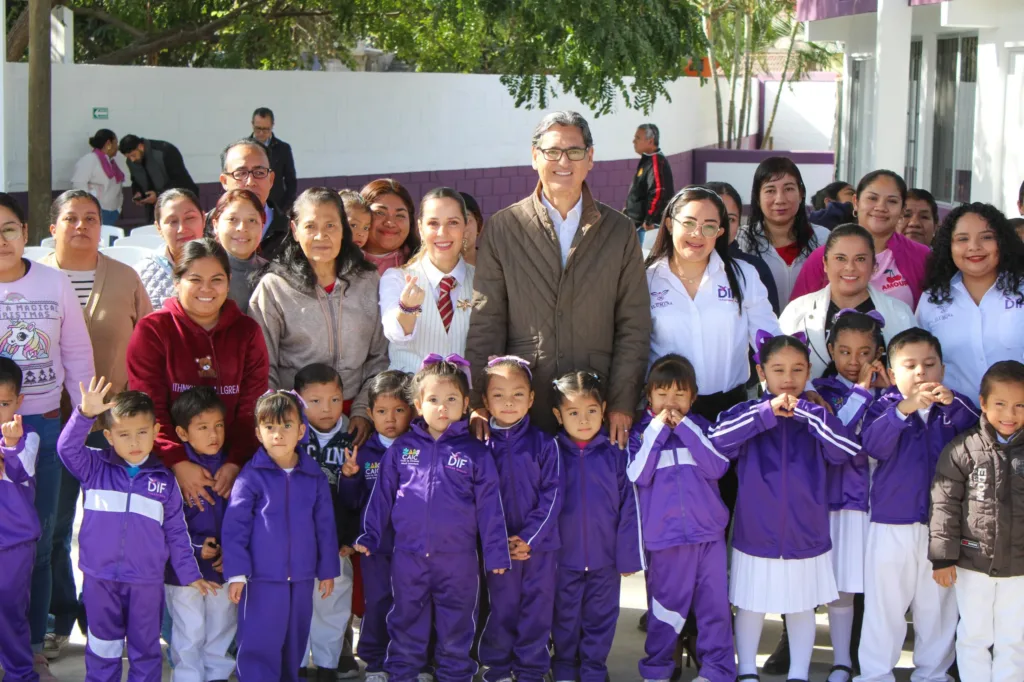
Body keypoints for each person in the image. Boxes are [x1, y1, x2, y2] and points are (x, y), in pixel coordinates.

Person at [466, 110, 651, 442]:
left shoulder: (619, 230)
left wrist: (622, 402)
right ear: (535, 156)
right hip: (523, 406)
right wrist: (479, 400)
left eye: (574, 151)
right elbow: (487, 320)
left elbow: (633, 324)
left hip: (595, 404)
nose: (563, 161)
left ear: (590, 158)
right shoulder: (504, 228)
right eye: (552, 151)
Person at [708, 332, 862, 682]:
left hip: (807, 532)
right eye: (778, 370)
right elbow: (716, 442)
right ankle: (747, 671)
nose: (788, 378)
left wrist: (810, 415)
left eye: (797, 369)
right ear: (761, 372)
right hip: (755, 531)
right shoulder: (747, 413)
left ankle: (798, 674)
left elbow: (845, 451)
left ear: (809, 371)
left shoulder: (818, 414)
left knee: (801, 605)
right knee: (750, 603)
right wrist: (764, 414)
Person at [41, 189, 152, 661]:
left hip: (115, 429)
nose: (82, 225)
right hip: (56, 426)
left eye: (91, 217)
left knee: (113, 528)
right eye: (71, 218)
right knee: (55, 527)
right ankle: (58, 616)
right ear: (53, 227)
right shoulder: (34, 278)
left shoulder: (125, 277)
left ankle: (104, 616)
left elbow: (148, 346)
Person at [353, 356, 511, 682]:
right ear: (418, 405)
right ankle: (402, 674)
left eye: (451, 399)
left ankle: (454, 674)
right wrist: (369, 534)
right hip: (408, 557)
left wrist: (496, 552)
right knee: (406, 621)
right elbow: (381, 497)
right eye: (434, 400)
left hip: (459, 561)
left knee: (456, 626)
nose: (442, 408)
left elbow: (490, 508)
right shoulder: (402, 449)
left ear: (465, 405)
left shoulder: (476, 453)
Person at [57, 378, 216, 682]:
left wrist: (189, 573)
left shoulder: (165, 481)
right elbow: (66, 448)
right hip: (99, 577)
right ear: (108, 436)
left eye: (142, 432)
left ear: (156, 432)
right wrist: (84, 415)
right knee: (103, 646)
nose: (134, 442)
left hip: (146, 581)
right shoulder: (94, 467)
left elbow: (176, 532)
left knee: (145, 648)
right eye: (124, 434)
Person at [0, 192, 95, 677]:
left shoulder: (54, 283)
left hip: (44, 424)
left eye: (8, 229)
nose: (1, 240)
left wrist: (83, 420)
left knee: (36, 540)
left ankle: (33, 642)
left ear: (25, 233)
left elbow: (77, 353)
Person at [853, 328, 979, 682]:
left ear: (943, 369)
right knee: (884, 606)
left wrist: (950, 403)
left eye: (929, 364)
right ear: (893, 375)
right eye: (910, 366)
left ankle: (933, 674)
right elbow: (873, 445)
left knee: (937, 607)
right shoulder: (882, 406)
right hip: (891, 524)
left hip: (943, 526)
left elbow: (977, 429)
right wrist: (904, 409)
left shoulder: (955, 407)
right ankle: (875, 674)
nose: (921, 372)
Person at [127, 238, 269, 514]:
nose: (206, 289)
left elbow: (251, 408)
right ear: (176, 281)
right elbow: (149, 406)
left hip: (231, 470)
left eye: (216, 280)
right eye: (195, 279)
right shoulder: (152, 330)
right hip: (166, 468)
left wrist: (235, 462)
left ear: (228, 282)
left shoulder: (247, 332)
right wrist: (178, 462)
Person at [249, 187, 388, 446]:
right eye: (310, 226)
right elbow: (263, 365)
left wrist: (363, 409)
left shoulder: (368, 280)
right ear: (294, 229)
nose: (321, 236)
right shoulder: (275, 286)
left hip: (356, 416)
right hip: (294, 419)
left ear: (343, 229)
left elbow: (379, 356)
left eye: (331, 225)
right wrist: (282, 418)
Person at [627, 354, 735, 682]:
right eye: (662, 394)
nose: (670, 402)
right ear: (649, 396)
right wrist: (658, 432)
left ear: (693, 397)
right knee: (664, 611)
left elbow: (718, 467)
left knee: (714, 608)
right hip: (665, 540)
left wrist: (685, 429)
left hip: (708, 536)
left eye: (680, 394)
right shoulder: (640, 433)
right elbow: (637, 475)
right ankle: (657, 670)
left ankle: (717, 670)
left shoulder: (701, 428)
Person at [222, 390, 340, 682]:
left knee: (294, 640)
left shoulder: (313, 476)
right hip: (261, 579)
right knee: (259, 640)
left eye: (287, 425)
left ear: (301, 430)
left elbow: (325, 526)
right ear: (258, 433)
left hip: (301, 577)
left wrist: (327, 570)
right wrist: (236, 573)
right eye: (270, 427)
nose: (278, 434)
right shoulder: (251, 476)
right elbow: (235, 527)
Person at [929, 360, 1024, 682]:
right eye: (1000, 404)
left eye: (1020, 405)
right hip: (973, 563)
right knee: (974, 635)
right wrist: (943, 558)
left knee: (1013, 638)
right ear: (982, 403)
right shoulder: (962, 448)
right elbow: (944, 504)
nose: (1009, 414)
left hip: (1020, 568)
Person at [550, 370, 644, 682]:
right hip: (563, 559)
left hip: (606, 561)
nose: (584, 420)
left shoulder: (616, 453)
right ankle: (564, 668)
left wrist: (628, 556)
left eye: (591, 411)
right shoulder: (551, 453)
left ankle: (593, 670)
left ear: (603, 410)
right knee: (564, 618)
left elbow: (629, 506)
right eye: (573, 413)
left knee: (601, 619)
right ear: (558, 415)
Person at [810, 312, 888, 682]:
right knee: (842, 587)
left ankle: (875, 663)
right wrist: (862, 393)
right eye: (844, 352)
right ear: (830, 350)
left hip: (884, 504)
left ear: (879, 353)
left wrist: (889, 391)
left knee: (881, 588)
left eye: (864, 352)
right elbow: (837, 433)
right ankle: (841, 661)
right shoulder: (820, 393)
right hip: (840, 503)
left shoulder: (891, 390)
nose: (854, 362)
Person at [477, 356, 561, 682]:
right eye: (498, 395)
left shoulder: (545, 444)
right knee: (501, 609)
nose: (509, 402)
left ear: (531, 398)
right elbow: (478, 502)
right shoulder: (479, 448)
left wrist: (529, 538)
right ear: (485, 402)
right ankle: (497, 668)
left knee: (537, 610)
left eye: (518, 394)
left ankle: (531, 670)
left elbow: (553, 495)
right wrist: (499, 544)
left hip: (540, 549)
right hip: (498, 550)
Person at [339, 370, 413, 682]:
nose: (390, 419)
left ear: (412, 410)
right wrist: (350, 476)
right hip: (375, 548)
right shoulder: (364, 452)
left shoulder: (419, 448)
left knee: (412, 603)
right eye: (382, 411)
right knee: (378, 601)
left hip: (412, 546)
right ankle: (375, 662)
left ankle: (415, 662)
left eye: (399, 410)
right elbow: (351, 502)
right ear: (370, 414)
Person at [165, 387, 236, 682]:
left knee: (222, 627)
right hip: (183, 571)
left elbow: (245, 519)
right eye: (203, 427)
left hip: (223, 567)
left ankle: (217, 675)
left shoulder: (234, 468)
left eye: (218, 425)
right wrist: (196, 547)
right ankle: (187, 677)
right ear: (183, 433)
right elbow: (167, 523)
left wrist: (232, 551)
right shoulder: (173, 473)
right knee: (189, 630)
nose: (213, 434)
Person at [780, 224, 917, 378]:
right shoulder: (796, 311)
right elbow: (775, 372)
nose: (850, 267)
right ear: (825, 264)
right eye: (840, 258)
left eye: (860, 259)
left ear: (874, 266)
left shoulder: (900, 313)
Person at [917, 202, 1024, 399]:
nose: (974, 247)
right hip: (953, 414)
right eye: (962, 239)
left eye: (986, 237)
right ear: (949, 246)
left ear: (1002, 242)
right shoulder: (932, 300)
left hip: (1016, 414)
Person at [294, 363, 356, 682]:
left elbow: (362, 495)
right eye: (315, 401)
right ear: (299, 401)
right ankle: (297, 661)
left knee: (333, 599)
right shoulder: (292, 434)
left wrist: (352, 536)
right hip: (297, 537)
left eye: (334, 399)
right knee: (298, 600)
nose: (327, 409)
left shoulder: (353, 435)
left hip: (336, 538)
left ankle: (328, 663)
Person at [792, 170, 932, 309]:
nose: (881, 207)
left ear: (902, 209)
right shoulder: (822, 257)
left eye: (892, 201)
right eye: (872, 198)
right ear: (856, 202)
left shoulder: (921, 256)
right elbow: (797, 313)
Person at [379, 188, 475, 372]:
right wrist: (407, 308)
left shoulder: (482, 280)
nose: (442, 232)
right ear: (420, 228)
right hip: (409, 386)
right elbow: (394, 333)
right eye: (433, 223)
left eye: (453, 223)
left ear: (465, 226)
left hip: (466, 389)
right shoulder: (396, 278)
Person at [735, 156, 831, 308]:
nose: (780, 199)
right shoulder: (741, 240)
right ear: (758, 197)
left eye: (788, 189)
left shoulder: (823, 239)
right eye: (770, 190)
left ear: (801, 193)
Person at [0, 359, 40, 682]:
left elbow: (21, 471)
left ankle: (20, 674)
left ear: (18, 402)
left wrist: (11, 446)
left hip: (14, 545)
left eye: (4, 403)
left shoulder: (30, 437)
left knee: (11, 612)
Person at [704, 180, 780, 314]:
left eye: (731, 219)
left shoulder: (755, 269)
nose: (723, 227)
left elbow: (768, 324)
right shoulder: (668, 268)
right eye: (713, 217)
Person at [218, 139, 291, 260]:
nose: (250, 182)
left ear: (271, 179)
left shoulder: (291, 232)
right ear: (224, 181)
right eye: (241, 173)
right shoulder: (203, 227)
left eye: (259, 172)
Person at [135, 188, 207, 310]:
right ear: (158, 228)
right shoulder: (143, 274)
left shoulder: (223, 263)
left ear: (204, 219)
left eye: (189, 218)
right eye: (173, 221)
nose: (182, 229)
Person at [209, 189, 268, 313]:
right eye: (232, 219)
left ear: (262, 227)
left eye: (251, 220)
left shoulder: (272, 274)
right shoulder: (200, 270)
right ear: (215, 225)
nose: (242, 228)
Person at [118, 135, 199, 223]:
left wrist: (158, 195)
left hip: (180, 201)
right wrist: (137, 192)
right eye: (128, 157)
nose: (132, 160)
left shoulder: (165, 150)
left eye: (133, 155)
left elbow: (180, 179)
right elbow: (135, 180)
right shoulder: (131, 162)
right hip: (154, 208)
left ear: (140, 146)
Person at [360, 179, 421, 274]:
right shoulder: (340, 263)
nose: (390, 223)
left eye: (400, 215)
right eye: (380, 213)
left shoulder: (425, 264)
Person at [624, 124, 675, 236]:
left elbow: (658, 192)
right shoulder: (648, 159)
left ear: (650, 141)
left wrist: (650, 219)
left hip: (646, 227)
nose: (634, 141)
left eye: (638, 138)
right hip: (638, 224)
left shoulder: (656, 162)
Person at [70, 129, 126, 225]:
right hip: (96, 212)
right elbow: (78, 184)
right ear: (108, 143)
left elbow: (118, 187)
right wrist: (90, 207)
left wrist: (118, 208)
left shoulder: (111, 163)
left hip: (113, 212)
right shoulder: (90, 159)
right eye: (116, 143)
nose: (117, 147)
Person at [249, 107, 297, 212]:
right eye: (258, 128)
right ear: (252, 124)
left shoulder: (283, 149)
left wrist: (283, 209)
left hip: (276, 208)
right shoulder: (243, 148)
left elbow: (291, 182)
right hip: (249, 206)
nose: (261, 133)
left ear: (272, 126)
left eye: (266, 129)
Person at [460, 191, 484, 266]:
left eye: (466, 220)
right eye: (453, 222)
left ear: (478, 225)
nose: (460, 228)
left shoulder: (496, 264)